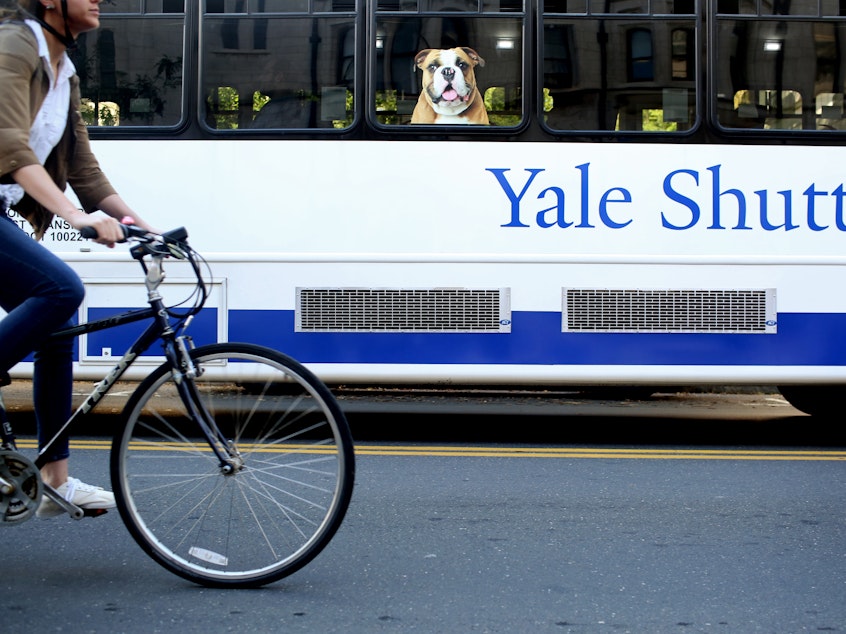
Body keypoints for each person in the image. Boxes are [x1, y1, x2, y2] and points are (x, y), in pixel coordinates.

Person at [0, 0, 156, 518]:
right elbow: (11, 146)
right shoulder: (14, 45)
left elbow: (82, 165)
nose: (100, 0)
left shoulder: (63, 69)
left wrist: (140, 225)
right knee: (62, 288)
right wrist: (74, 215)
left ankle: (54, 482)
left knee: (58, 323)